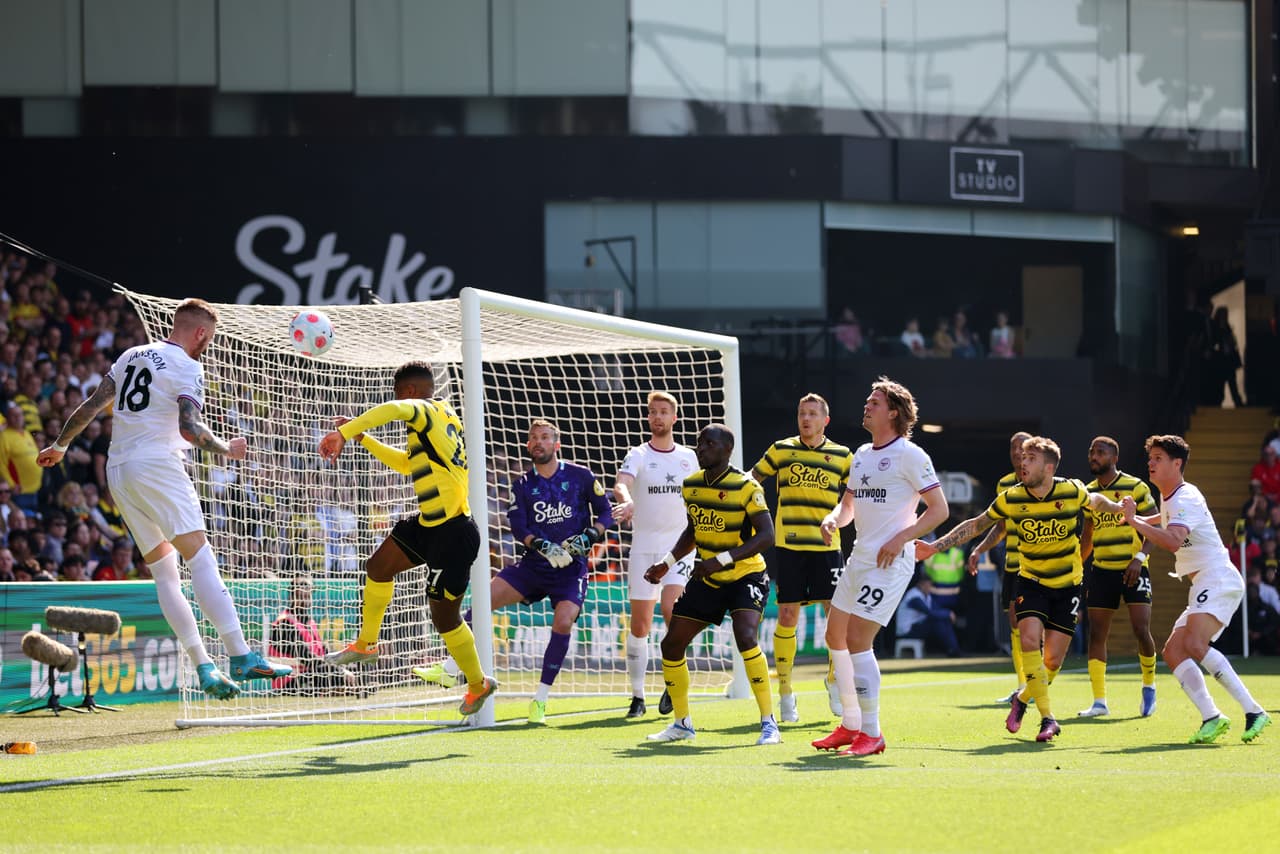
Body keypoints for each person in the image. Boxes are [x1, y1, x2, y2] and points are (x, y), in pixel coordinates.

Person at [37, 297, 290, 699]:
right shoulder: (189, 367)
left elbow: (91, 405)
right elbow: (190, 429)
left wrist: (61, 445)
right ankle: (241, 655)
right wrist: (227, 449)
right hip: (157, 464)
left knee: (165, 573)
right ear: (201, 333)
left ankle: (204, 666)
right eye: (210, 337)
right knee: (200, 556)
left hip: (119, 470)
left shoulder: (132, 354)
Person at [917, 436, 1124, 743]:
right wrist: (935, 546)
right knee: (1028, 640)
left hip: (1067, 585)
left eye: (1031, 458)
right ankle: (1048, 719)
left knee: (1052, 662)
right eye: (1022, 458)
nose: (1023, 463)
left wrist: (1118, 508)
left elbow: (1097, 502)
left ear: (1049, 467)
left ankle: (1023, 698)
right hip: (1030, 581)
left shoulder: (1071, 490)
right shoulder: (1011, 496)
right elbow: (977, 524)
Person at [320, 361, 498, 718]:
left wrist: (347, 430)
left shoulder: (424, 409)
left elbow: (395, 409)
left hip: (454, 533)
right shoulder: (443, 419)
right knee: (378, 566)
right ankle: (367, 643)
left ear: (411, 391)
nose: (399, 403)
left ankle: (478, 683)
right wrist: (363, 438)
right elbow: (407, 465)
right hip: (428, 525)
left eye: (399, 393)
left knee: (444, 618)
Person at [418, 419, 613, 724]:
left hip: (570, 568)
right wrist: (541, 545)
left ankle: (540, 701)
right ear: (528, 446)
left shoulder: (581, 476)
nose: (539, 442)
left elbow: (606, 513)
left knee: (563, 623)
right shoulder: (522, 484)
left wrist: (588, 536)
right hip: (533, 565)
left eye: (545, 437)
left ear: (556, 444)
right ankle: (450, 669)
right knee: (483, 600)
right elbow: (518, 524)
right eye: (534, 438)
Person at [810, 377, 949, 756]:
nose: (867, 406)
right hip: (860, 558)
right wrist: (832, 519)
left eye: (874, 402)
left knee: (857, 639)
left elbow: (940, 510)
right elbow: (849, 505)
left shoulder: (910, 455)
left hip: (890, 561)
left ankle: (872, 732)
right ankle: (851, 724)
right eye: (868, 400)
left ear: (893, 412)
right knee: (834, 636)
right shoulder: (862, 454)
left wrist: (902, 538)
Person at [1119, 434, 1271, 743]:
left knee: (1197, 644)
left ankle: (1254, 711)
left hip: (1218, 578)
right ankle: (1212, 717)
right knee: (1174, 651)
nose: (1151, 462)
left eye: (1158, 458)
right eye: (1151, 458)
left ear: (1177, 464)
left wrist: (1135, 522)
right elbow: (1164, 519)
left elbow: (1172, 539)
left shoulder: (1184, 496)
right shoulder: (1172, 495)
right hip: (1205, 582)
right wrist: (1128, 518)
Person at [644, 423, 779, 746]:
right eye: (699, 443)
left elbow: (767, 536)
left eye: (708, 444)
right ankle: (681, 723)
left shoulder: (747, 487)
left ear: (726, 450)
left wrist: (720, 560)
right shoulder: (691, 486)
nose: (700, 448)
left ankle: (769, 722)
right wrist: (666, 563)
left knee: (745, 636)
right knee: (671, 645)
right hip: (707, 577)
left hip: (746, 574)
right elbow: (693, 531)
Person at [751, 393, 852, 723]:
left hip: (827, 548)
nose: (805, 419)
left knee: (836, 618)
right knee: (787, 617)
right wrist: (755, 514)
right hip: (790, 547)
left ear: (826, 420)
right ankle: (785, 693)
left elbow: (853, 500)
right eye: (801, 413)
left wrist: (837, 518)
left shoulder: (842, 456)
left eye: (812, 414)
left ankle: (835, 680)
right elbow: (753, 481)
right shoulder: (781, 449)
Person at [612, 391, 698, 719]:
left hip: (679, 548)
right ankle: (637, 696)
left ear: (674, 418)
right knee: (640, 625)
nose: (658, 417)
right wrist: (627, 499)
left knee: (671, 608)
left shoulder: (689, 457)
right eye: (653, 413)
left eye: (664, 412)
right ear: (648, 418)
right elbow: (622, 483)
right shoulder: (637, 454)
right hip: (644, 547)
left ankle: (672, 680)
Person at [1079, 436, 1159, 718]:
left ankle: (1149, 687)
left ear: (1114, 458)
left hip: (1133, 568)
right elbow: (1088, 534)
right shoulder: (1088, 493)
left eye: (1100, 452)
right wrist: (1078, 566)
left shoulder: (1136, 487)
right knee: (1097, 634)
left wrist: (1139, 559)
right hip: (1102, 570)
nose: (1093, 456)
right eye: (1091, 452)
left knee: (1141, 629)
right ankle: (1099, 702)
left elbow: (1155, 525)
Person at [966, 431, 1032, 703]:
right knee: (1015, 621)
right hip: (1013, 564)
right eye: (1013, 447)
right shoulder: (1004, 484)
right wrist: (981, 548)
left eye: (1022, 447)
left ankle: (1037, 682)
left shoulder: (1042, 479)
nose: (1017, 452)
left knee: (1035, 624)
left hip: (1042, 564)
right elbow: (1001, 525)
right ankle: (1022, 685)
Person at [270, 573, 358, 694]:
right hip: (290, 681)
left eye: (309, 592)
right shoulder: (284, 623)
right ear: (293, 595)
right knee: (325, 672)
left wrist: (341, 665)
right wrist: (340, 671)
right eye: (303, 591)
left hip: (311, 672)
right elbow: (307, 658)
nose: (307, 595)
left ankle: (352, 686)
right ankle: (347, 687)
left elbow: (324, 651)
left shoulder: (310, 622)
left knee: (350, 664)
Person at [896, 576, 961, 656]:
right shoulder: (913, 596)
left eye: (930, 586)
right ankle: (953, 649)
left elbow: (937, 610)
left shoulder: (927, 596)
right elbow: (929, 613)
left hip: (916, 626)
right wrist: (948, 613)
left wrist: (947, 614)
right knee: (937, 622)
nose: (929, 588)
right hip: (907, 631)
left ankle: (953, 649)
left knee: (943, 620)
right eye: (927, 585)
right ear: (920, 585)